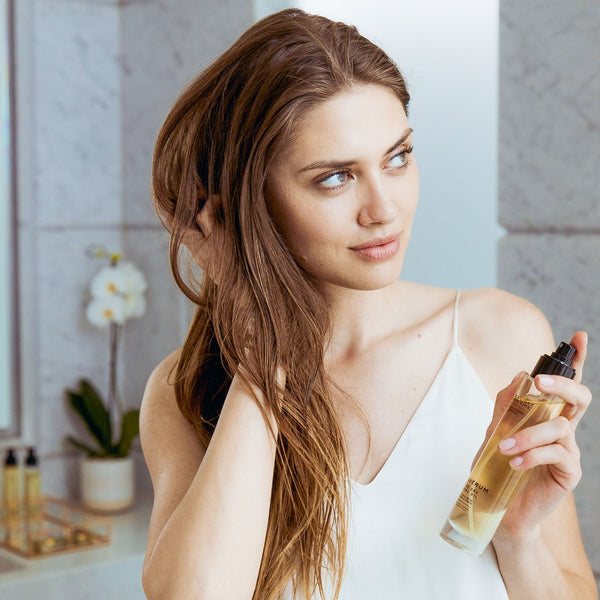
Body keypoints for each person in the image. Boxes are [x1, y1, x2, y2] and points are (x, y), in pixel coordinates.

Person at [140, 8, 596, 600]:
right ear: (252, 198)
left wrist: (517, 538)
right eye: (334, 177)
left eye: (398, 157)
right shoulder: (188, 388)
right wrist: (259, 347)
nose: (384, 209)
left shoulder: (499, 334)